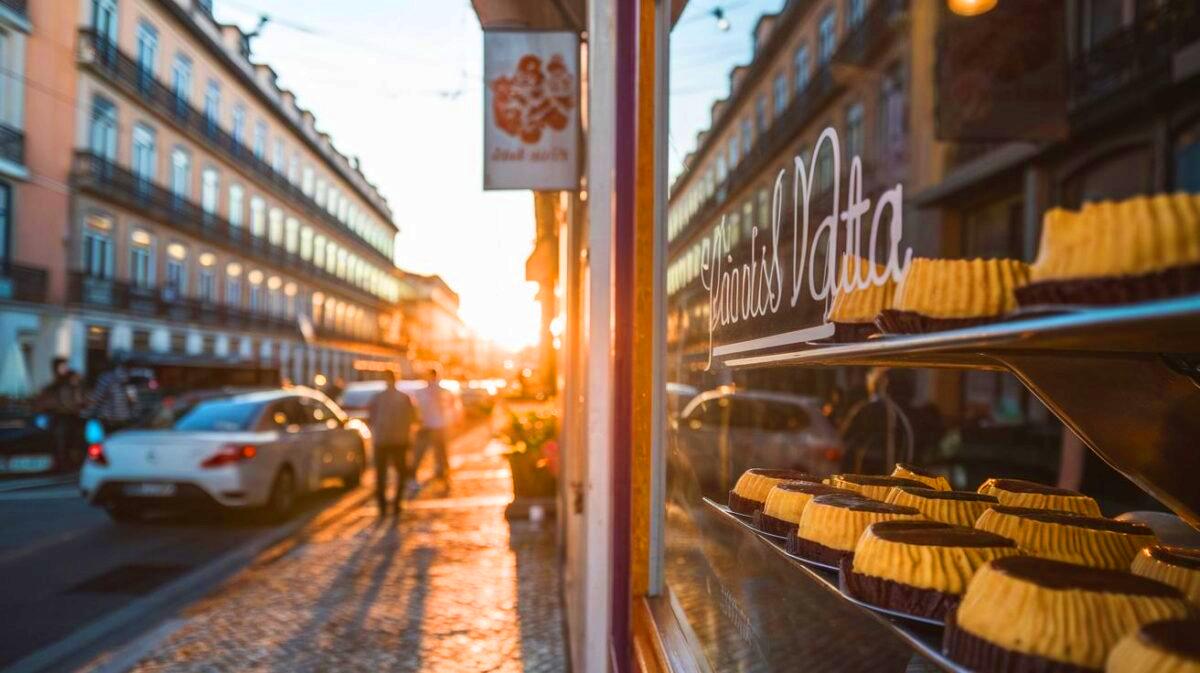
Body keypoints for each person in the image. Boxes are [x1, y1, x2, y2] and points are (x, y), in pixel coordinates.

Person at [367, 370, 417, 516]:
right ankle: (396, 504)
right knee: (401, 473)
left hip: (382, 440)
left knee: (381, 474)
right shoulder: (404, 398)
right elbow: (413, 418)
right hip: (399, 440)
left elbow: (371, 418)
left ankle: (382, 507)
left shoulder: (377, 398)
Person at [34, 358, 85, 470]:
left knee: (71, 440)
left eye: (65, 366)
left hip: (71, 416)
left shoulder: (70, 381)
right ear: (55, 369)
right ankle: (61, 462)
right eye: (62, 367)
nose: (64, 369)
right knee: (60, 440)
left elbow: (77, 399)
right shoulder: (53, 385)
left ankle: (69, 462)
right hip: (60, 416)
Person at [412, 366, 451, 484]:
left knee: (438, 451)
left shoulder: (438, 390)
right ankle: (442, 471)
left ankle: (443, 472)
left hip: (435, 425)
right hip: (431, 425)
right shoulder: (424, 391)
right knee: (427, 451)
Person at [87, 352, 139, 434]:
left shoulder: (106, 377)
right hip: (124, 418)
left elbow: (97, 397)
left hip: (108, 418)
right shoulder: (129, 379)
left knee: (105, 443)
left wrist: (89, 410)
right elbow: (133, 400)